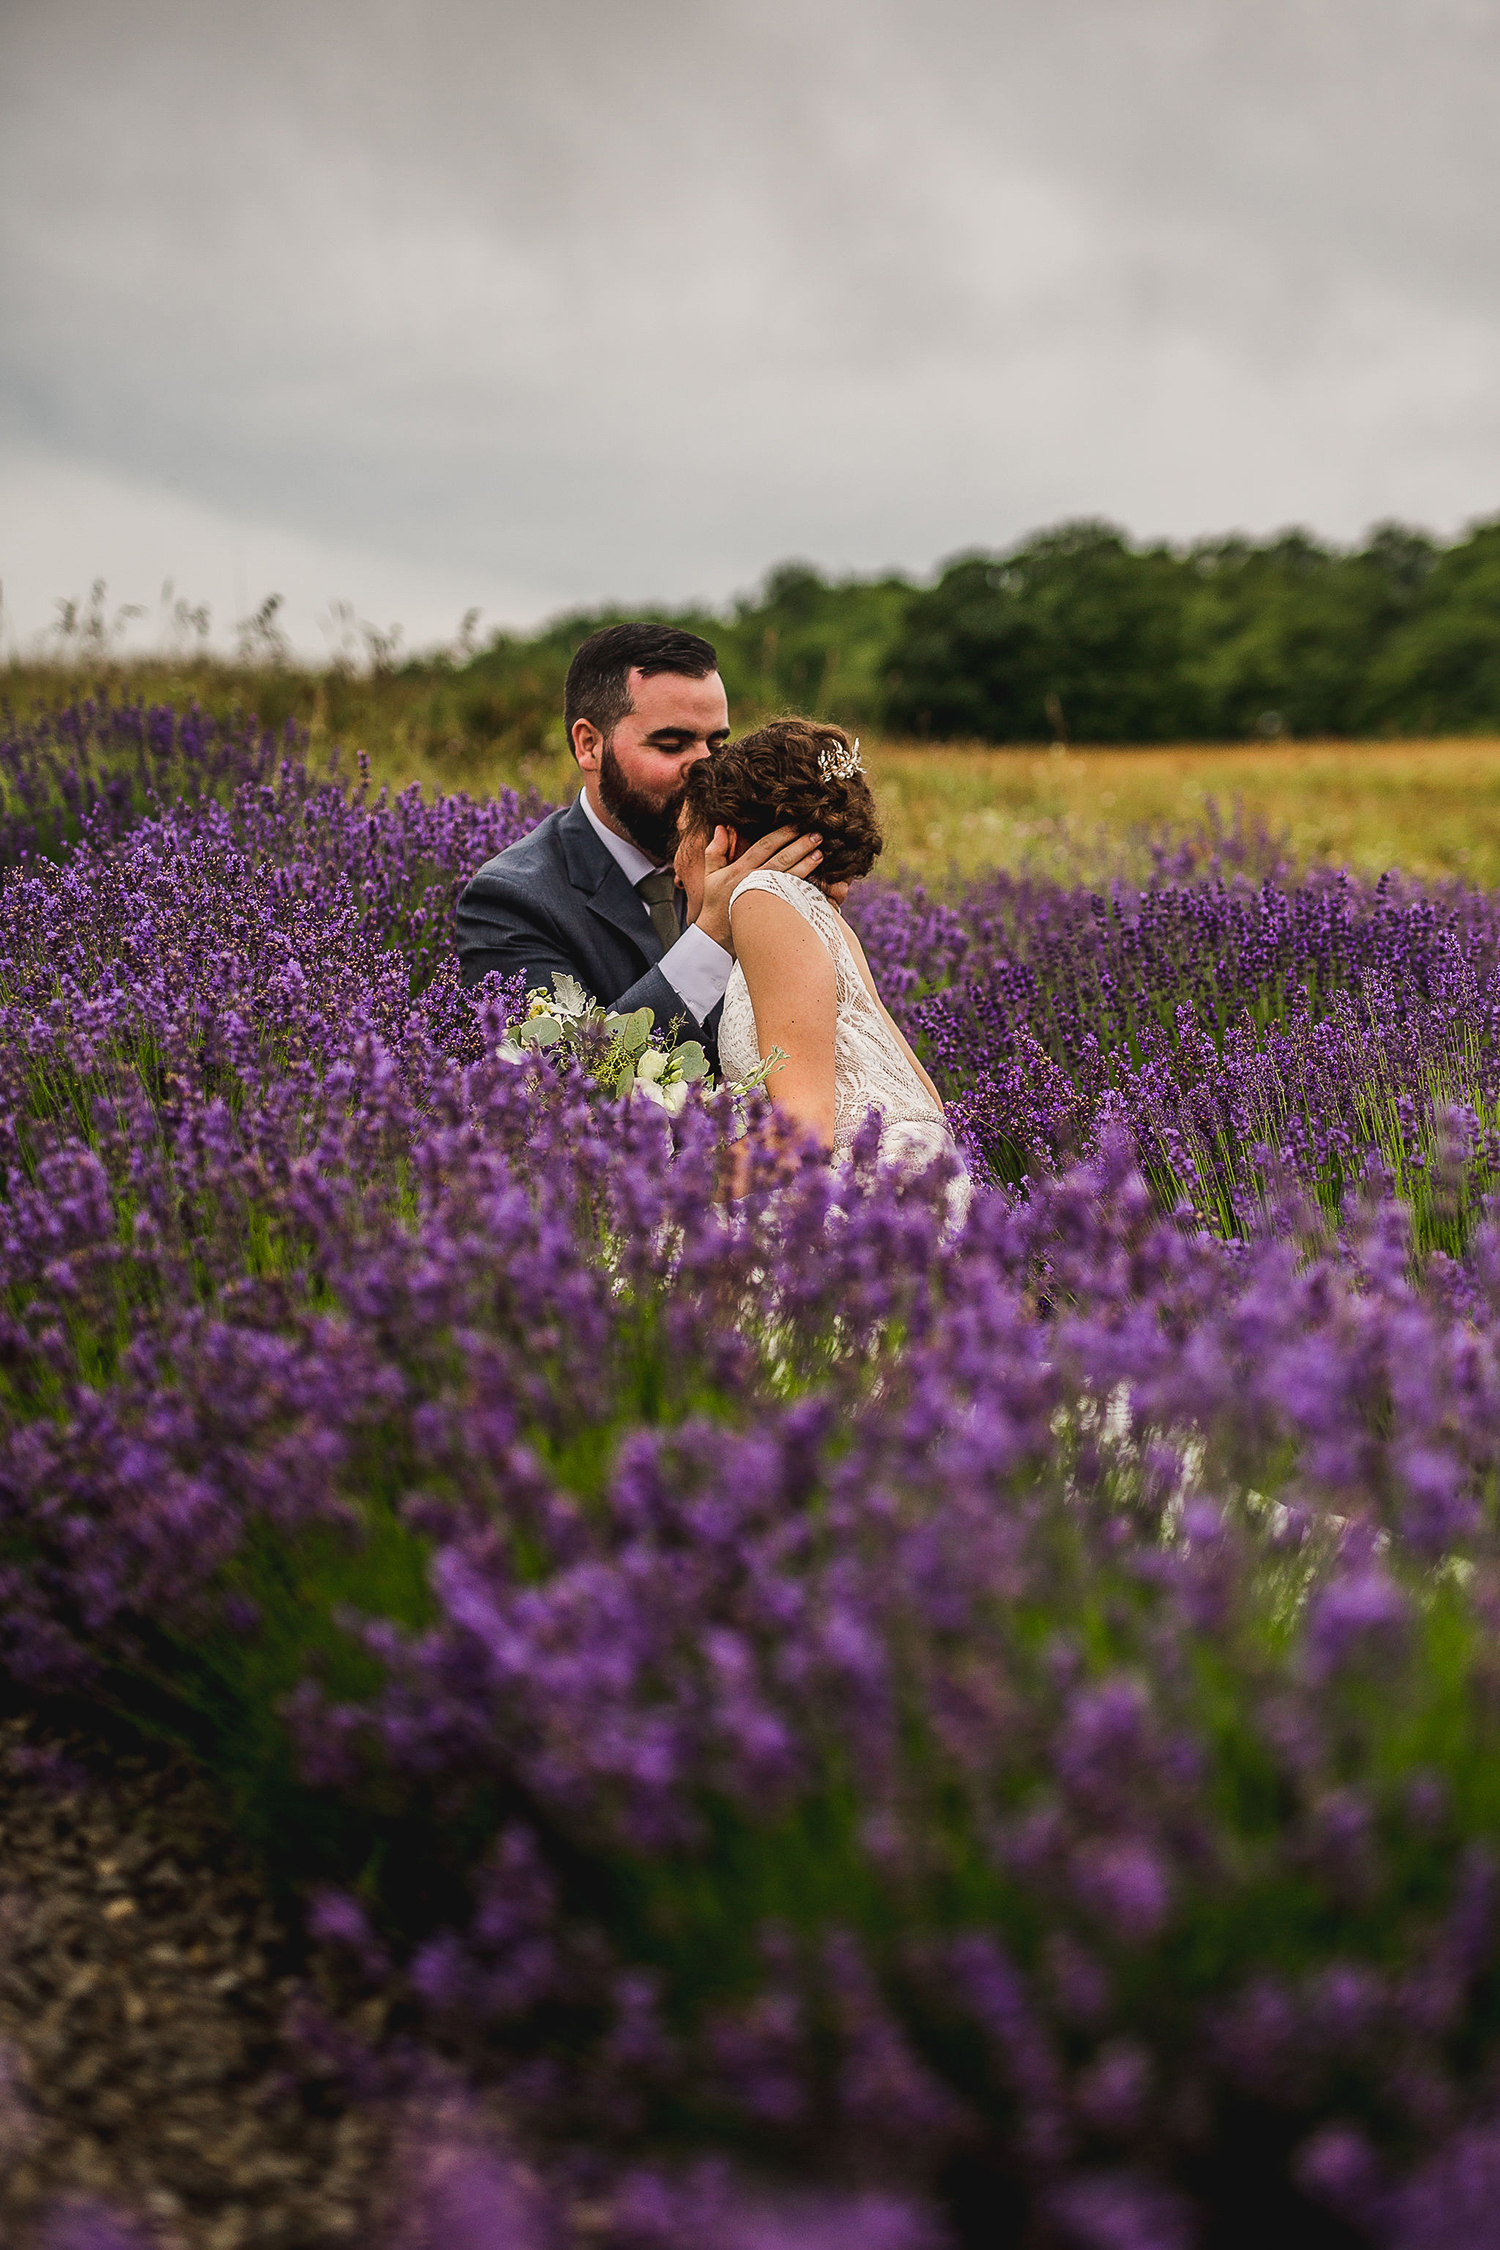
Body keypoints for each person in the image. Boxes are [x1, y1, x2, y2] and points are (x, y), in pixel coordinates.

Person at [455, 622, 828, 1060]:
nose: (708, 769)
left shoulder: (747, 858)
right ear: (589, 745)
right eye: (672, 745)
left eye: (717, 743)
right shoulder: (510, 901)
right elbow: (558, 1077)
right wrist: (714, 936)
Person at [674, 718, 964, 1193]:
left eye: (685, 835)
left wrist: (667, 1193)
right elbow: (924, 1096)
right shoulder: (830, 925)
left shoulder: (760, 896)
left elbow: (802, 1136)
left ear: (723, 838)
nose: (676, 870)